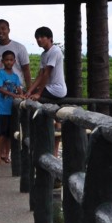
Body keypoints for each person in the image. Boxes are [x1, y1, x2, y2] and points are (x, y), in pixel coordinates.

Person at [0, 19, 31, 160]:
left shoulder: (20, 48)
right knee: (0, 125)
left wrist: (28, 91)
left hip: (16, 94)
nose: (1, 32)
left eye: (3, 28)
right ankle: (1, 153)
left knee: (14, 124)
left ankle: (9, 153)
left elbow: (26, 70)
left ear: (9, 29)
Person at [24, 26, 67, 156]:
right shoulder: (44, 54)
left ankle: (52, 149)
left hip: (57, 89)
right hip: (49, 88)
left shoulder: (55, 51)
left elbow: (47, 73)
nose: (39, 39)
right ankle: (52, 149)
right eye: (37, 37)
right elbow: (40, 75)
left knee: (40, 108)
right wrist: (30, 91)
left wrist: (38, 93)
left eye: (42, 37)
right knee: (54, 117)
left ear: (50, 38)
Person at [0, 50, 24, 164]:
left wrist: (21, 95)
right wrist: (14, 95)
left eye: (11, 60)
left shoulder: (15, 76)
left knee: (10, 135)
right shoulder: (0, 74)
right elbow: (0, 88)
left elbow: (19, 88)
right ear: (3, 61)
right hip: (1, 109)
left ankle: (7, 155)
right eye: (7, 60)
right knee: (1, 134)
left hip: (12, 109)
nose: (9, 62)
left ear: (14, 61)